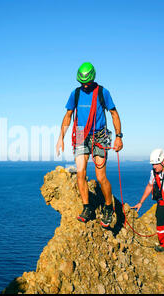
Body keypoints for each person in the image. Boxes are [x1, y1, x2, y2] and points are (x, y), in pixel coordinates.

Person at [56, 62, 123, 228]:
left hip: (99, 134)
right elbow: (68, 115)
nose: (84, 85)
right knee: (80, 173)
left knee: (100, 177)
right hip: (80, 133)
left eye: (86, 82)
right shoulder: (76, 93)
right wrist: (61, 137)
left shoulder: (102, 92)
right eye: (82, 82)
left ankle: (108, 207)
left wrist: (119, 137)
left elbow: (114, 114)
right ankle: (87, 208)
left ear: (93, 78)